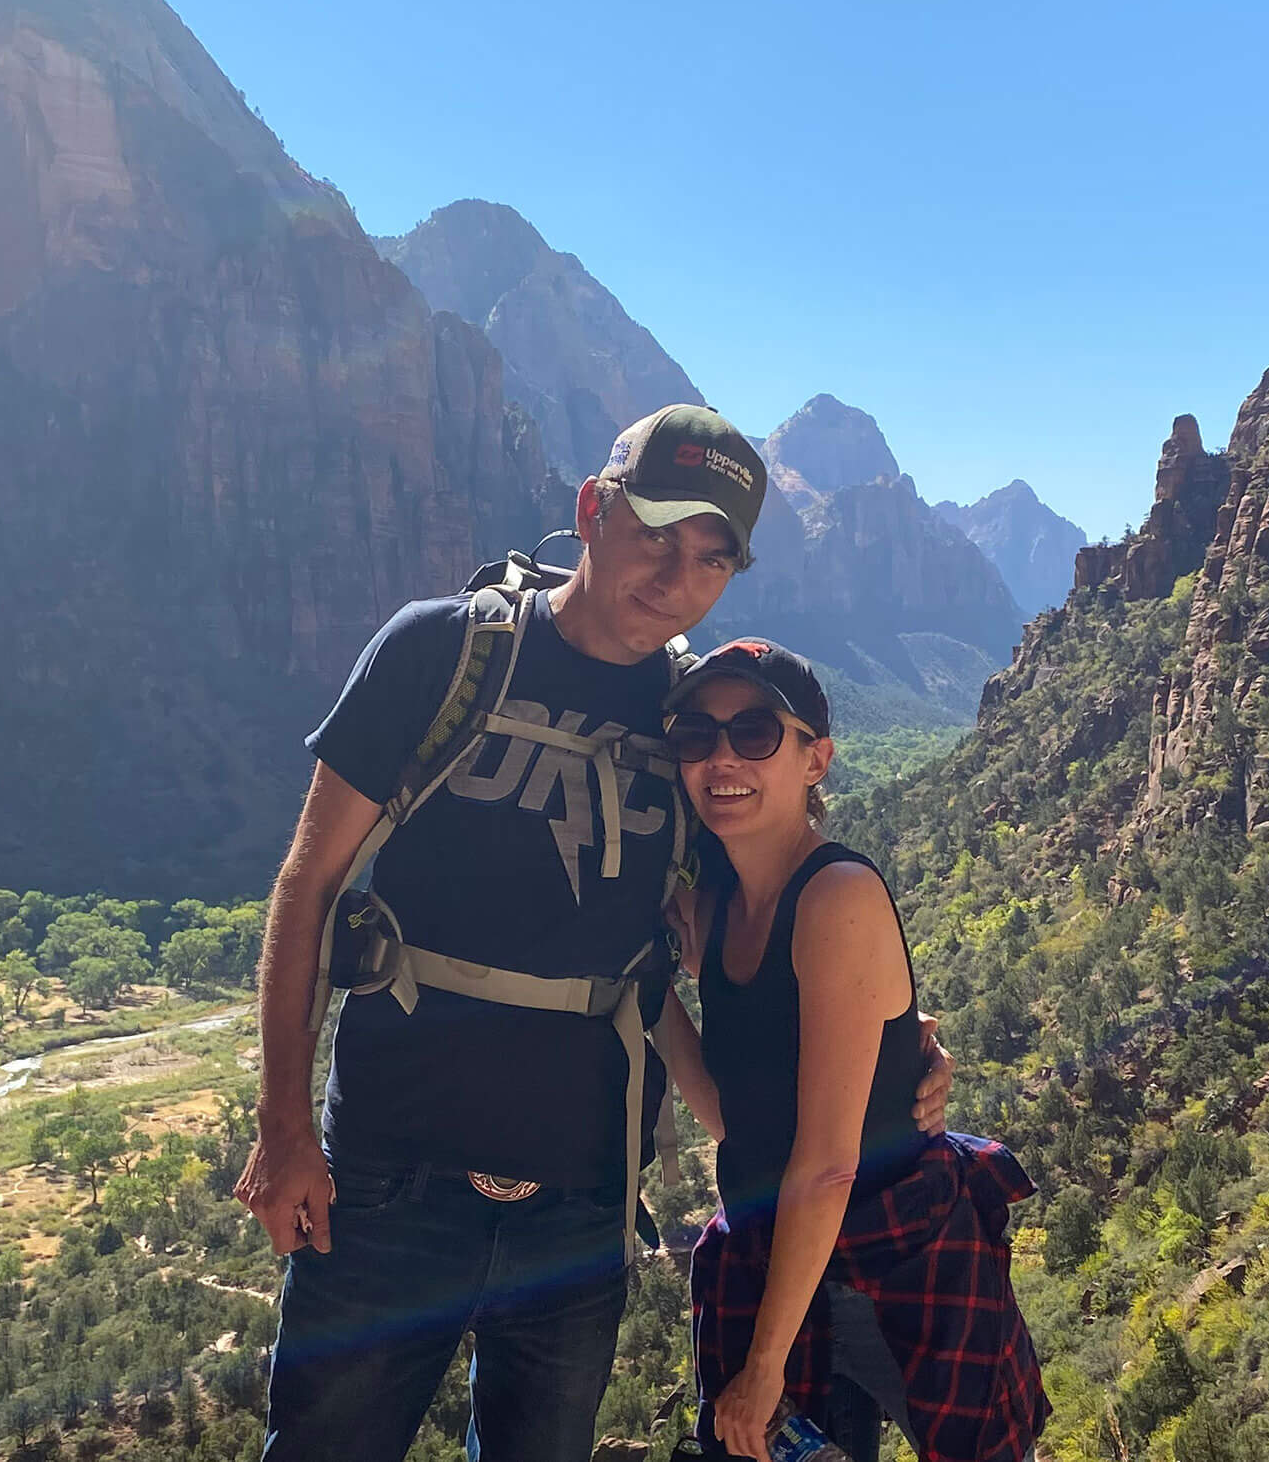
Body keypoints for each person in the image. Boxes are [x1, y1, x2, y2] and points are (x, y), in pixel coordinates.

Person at [233, 405, 951, 1462]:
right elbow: (309, 884)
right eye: (655, 529)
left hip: (581, 1210)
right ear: (592, 511)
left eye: (709, 556)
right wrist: (284, 1125)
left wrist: (899, 1049)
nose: (674, 573)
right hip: (385, 1184)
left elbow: (750, 933)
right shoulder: (442, 652)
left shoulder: (690, 726)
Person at [651, 639, 1047, 1462]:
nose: (722, 758)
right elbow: (738, 1119)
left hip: (899, 1263)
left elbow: (827, 1164)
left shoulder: (836, 897)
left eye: (756, 732)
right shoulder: (715, 907)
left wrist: (763, 1369)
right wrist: (648, 995)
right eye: (697, 736)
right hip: (782, 1258)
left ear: (816, 760)